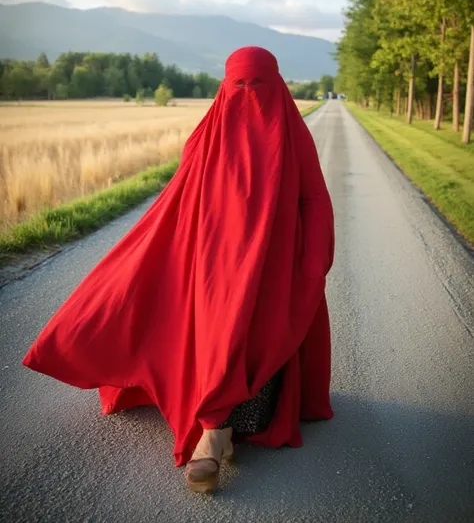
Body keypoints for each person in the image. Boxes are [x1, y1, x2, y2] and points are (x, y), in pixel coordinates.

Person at [23, 46, 335, 494]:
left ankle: (221, 429)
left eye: (258, 85)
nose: (248, 94)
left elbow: (313, 200)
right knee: (220, 337)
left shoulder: (292, 136)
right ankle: (215, 433)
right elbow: (180, 204)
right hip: (214, 265)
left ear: (277, 85)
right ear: (226, 88)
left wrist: (315, 257)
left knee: (259, 338)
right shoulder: (206, 137)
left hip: (276, 266)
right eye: (239, 86)